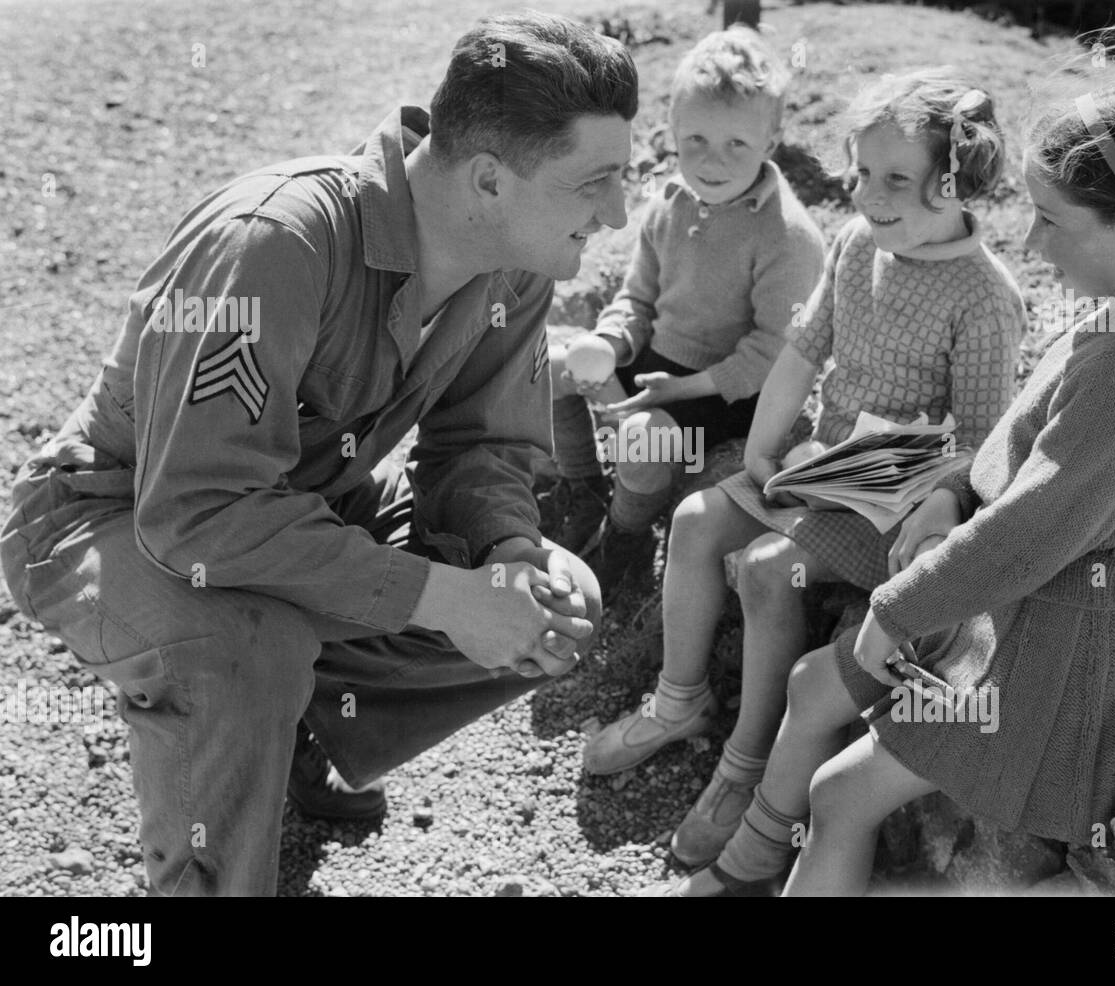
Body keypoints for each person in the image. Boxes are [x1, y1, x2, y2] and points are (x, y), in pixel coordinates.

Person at [0, 11, 637, 897]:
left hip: (296, 511)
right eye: (595, 183)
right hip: (114, 519)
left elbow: (481, 447)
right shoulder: (279, 244)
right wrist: (443, 596)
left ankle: (286, 727)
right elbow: (195, 516)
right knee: (241, 648)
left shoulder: (520, 259)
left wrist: (505, 557)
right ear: (490, 179)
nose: (617, 213)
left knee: (562, 600)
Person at [654, 72, 1115, 896]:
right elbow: (1005, 451)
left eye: (1051, 220)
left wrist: (896, 609)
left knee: (839, 794)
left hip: (1054, 659)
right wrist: (950, 491)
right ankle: (748, 859)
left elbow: (1033, 528)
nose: (1031, 244)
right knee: (815, 681)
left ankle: (764, 865)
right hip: (1007, 609)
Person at [585, 68, 1026, 869]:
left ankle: (746, 770)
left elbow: (984, 443)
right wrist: (761, 446)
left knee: (765, 570)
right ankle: (679, 703)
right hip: (827, 464)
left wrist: (911, 492)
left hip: (898, 494)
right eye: (861, 173)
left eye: (897, 178)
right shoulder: (859, 246)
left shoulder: (982, 296)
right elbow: (803, 348)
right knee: (694, 521)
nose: (868, 195)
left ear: (956, 181)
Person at [544, 26, 824, 592]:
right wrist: (611, 342)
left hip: (727, 394)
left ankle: (624, 538)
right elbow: (639, 298)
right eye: (694, 139)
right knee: (548, 369)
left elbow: (772, 355)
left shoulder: (788, 236)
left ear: (771, 142)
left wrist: (679, 390)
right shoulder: (669, 205)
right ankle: (584, 489)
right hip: (656, 362)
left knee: (644, 440)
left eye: (736, 145)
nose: (711, 161)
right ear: (672, 129)